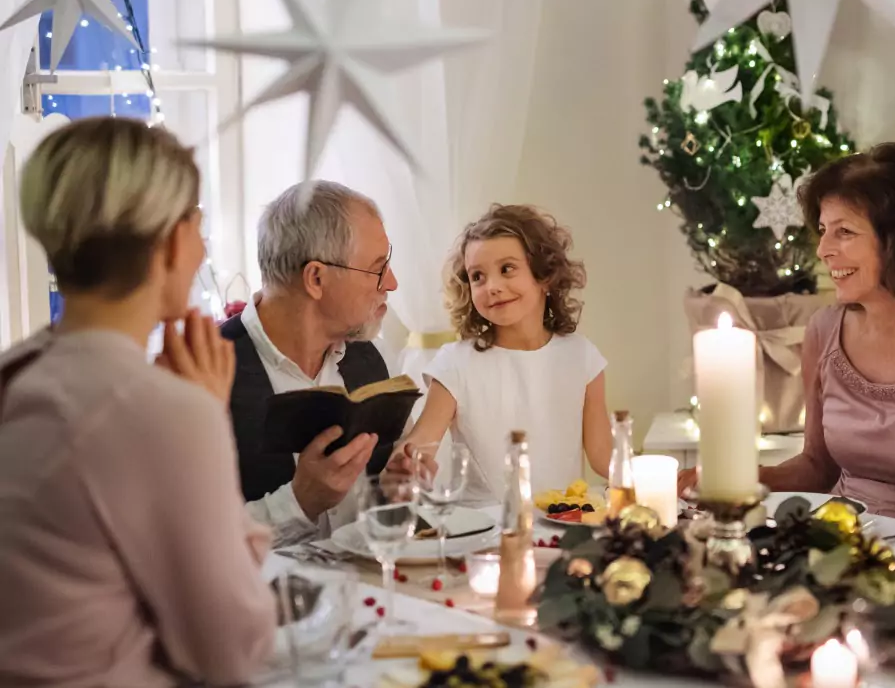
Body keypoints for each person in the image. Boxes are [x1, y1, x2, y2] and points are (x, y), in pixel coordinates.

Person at [0, 117, 275, 686]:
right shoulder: (162, 411)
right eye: (198, 225)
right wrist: (205, 420)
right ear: (172, 242)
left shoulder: (18, 373)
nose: (202, 246)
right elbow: (235, 652)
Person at [679, 143, 895, 522]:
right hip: (837, 543)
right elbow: (817, 467)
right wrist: (730, 482)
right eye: (824, 230)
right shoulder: (823, 330)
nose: (824, 249)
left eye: (844, 231)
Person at [395, 204, 611, 500]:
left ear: (544, 276)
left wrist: (655, 477)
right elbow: (421, 442)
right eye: (478, 277)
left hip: (563, 525)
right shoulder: (454, 363)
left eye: (507, 269)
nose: (492, 287)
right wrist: (406, 464)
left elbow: (602, 455)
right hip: (485, 532)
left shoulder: (582, 357)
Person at [226, 180, 398, 544]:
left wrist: (400, 488)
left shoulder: (372, 360)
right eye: (378, 269)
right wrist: (299, 501)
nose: (392, 283)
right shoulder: (205, 373)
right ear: (316, 278)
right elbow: (187, 549)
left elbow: (388, 510)